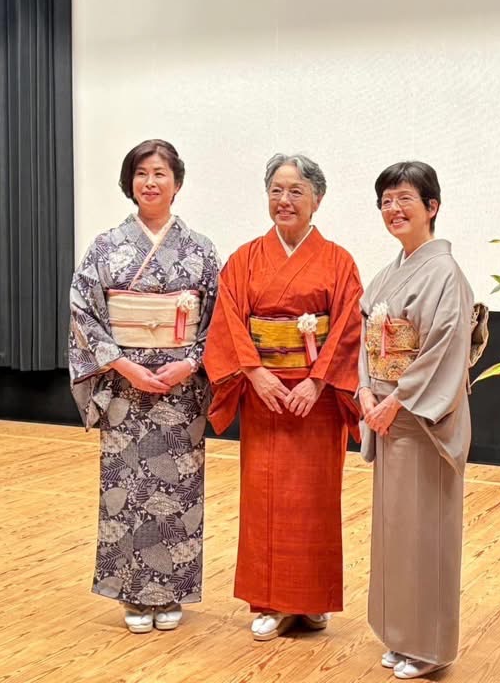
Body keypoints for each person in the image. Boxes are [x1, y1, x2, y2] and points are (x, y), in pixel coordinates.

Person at [203, 153, 363, 641]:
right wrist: (254, 372)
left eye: (296, 191)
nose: (284, 200)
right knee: (265, 496)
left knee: (315, 497)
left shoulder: (338, 261)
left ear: (318, 198)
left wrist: (317, 381)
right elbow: (229, 318)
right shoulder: (245, 259)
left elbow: (350, 325)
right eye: (276, 189)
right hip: (265, 396)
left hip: (315, 400)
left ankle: (313, 601)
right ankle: (269, 601)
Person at [69, 139, 220, 634]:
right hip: (125, 390)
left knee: (177, 489)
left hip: (180, 390)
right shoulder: (105, 247)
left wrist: (192, 362)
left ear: (177, 182)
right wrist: (124, 366)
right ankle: (132, 595)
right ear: (129, 181)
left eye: (160, 173)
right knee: (127, 488)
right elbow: (83, 313)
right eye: (141, 173)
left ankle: (171, 591)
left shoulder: (199, 249)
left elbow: (218, 320)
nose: (150, 182)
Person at [358, 161, 487, 679]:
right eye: (386, 200)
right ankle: (399, 634)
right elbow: (366, 341)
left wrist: (396, 400)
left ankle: (430, 647)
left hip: (421, 422)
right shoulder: (387, 273)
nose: (394, 209)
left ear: (432, 207)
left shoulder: (446, 275)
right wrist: (366, 390)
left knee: (425, 533)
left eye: (404, 199)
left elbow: (444, 348)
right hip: (388, 418)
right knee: (395, 532)